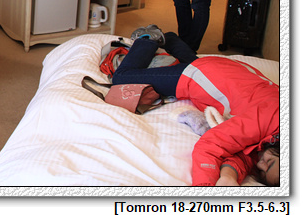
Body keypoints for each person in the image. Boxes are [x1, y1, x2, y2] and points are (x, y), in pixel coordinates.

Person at [114, 25, 279, 186]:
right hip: (207, 76)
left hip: (229, 72)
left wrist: (229, 177)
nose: (260, 165)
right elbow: (211, 145)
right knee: (122, 78)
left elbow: (244, 156)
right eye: (269, 162)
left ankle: (170, 40)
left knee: (196, 64)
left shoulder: (276, 135)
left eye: (262, 173)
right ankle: (148, 39)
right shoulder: (272, 117)